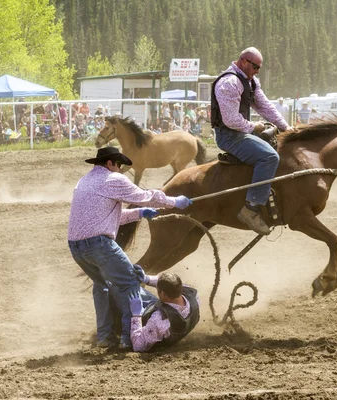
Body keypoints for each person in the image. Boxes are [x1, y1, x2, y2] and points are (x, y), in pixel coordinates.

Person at [67, 146, 193, 349]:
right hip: (99, 244)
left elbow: (105, 218)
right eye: (118, 165)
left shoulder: (83, 182)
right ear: (110, 163)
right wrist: (174, 202)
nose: (120, 170)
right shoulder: (113, 179)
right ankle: (128, 338)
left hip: (77, 247)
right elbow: (146, 195)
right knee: (130, 284)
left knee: (102, 286)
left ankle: (105, 337)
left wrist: (139, 213)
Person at [211, 46, 292, 235]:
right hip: (229, 136)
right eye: (255, 67)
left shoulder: (250, 81)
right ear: (244, 62)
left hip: (239, 132)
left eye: (259, 69)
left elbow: (265, 107)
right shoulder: (230, 82)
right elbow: (230, 119)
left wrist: (286, 127)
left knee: (278, 145)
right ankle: (252, 206)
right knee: (269, 157)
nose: (256, 71)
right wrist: (253, 127)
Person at [125, 268, 200, 352]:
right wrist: (147, 279)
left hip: (147, 324)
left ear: (163, 294)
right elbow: (170, 284)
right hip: (163, 328)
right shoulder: (194, 296)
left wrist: (136, 315)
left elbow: (138, 346)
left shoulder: (158, 319)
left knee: (123, 289)